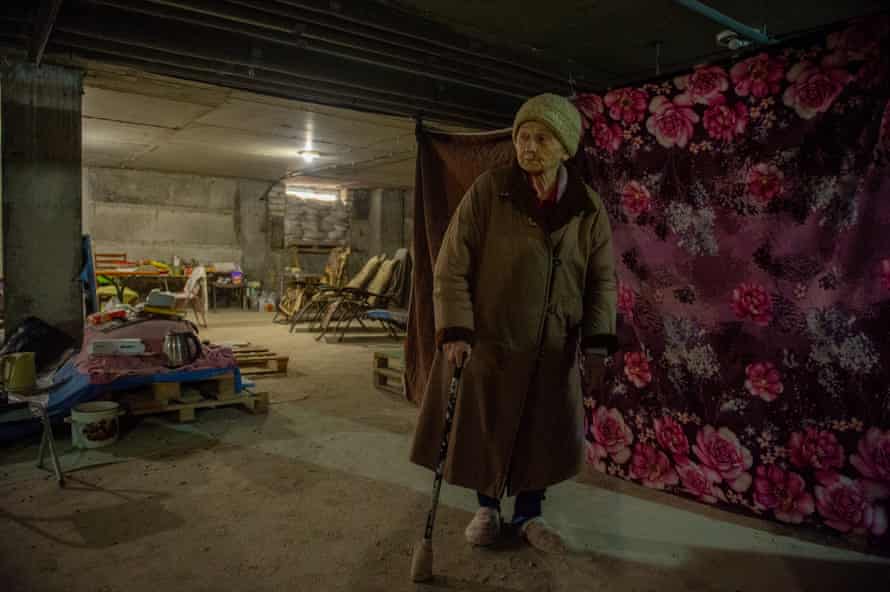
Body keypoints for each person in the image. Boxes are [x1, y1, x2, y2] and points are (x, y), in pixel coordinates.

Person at [410, 93, 618, 553]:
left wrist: (597, 343)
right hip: (491, 340)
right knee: (487, 423)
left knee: (540, 431)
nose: (528, 146)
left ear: (564, 147)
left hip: (552, 344)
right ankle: (486, 509)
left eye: (541, 138)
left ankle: (529, 516)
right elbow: (451, 264)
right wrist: (456, 329)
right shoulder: (491, 190)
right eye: (523, 136)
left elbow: (602, 279)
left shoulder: (588, 208)